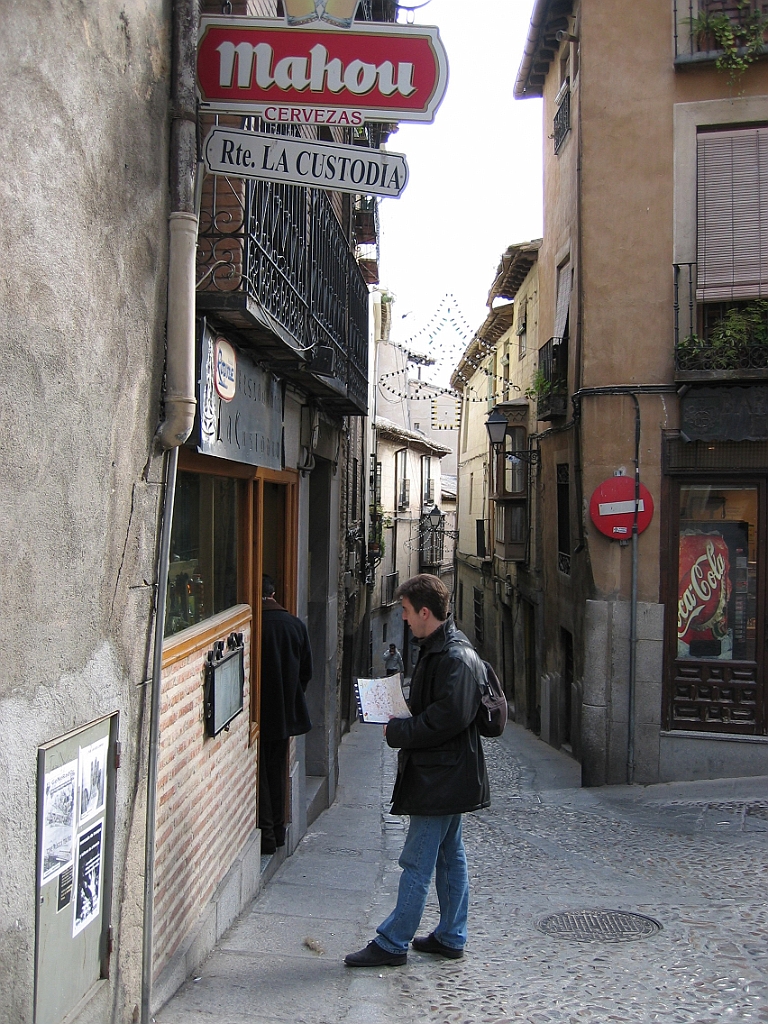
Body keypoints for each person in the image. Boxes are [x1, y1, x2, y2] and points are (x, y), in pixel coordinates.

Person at [345, 574, 490, 968]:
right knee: (449, 855)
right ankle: (451, 935)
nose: (404, 618)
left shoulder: (454, 657)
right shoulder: (442, 649)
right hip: (446, 774)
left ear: (425, 612)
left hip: (440, 778)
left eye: (407, 611)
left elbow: (446, 719)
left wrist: (399, 730)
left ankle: (393, 942)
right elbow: (438, 708)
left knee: (417, 860)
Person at [259, 575, 313, 855]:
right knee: (277, 770)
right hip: (284, 712)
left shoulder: (256, 625)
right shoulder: (295, 625)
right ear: (274, 593)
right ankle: (278, 833)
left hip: (259, 712)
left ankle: (267, 835)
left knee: (262, 773)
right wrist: (291, 696)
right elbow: (307, 672)